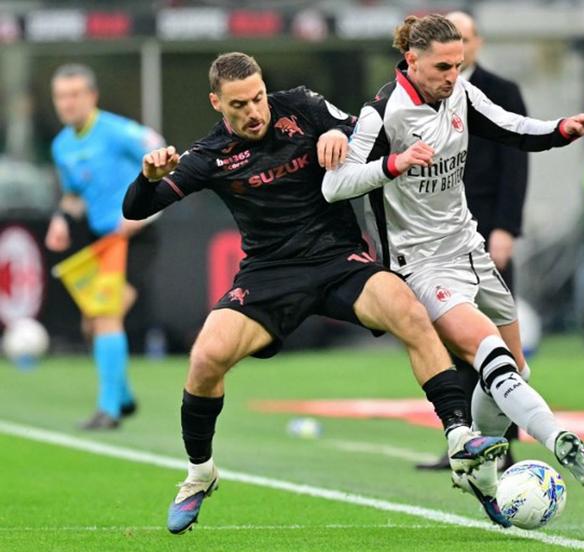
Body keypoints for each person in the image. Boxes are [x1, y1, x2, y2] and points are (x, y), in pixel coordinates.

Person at [121, 52, 508, 535]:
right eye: (239, 104)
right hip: (269, 273)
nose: (254, 111)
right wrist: (148, 178)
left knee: (408, 310)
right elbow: (136, 209)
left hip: (336, 259)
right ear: (217, 102)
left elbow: (368, 130)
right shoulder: (209, 155)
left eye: (258, 97)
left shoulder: (302, 105)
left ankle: (457, 436)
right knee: (205, 360)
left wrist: (336, 134)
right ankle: (200, 473)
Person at [322, 14, 584, 525]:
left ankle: (479, 464)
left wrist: (563, 129)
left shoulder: (462, 95)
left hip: (468, 246)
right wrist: (394, 165)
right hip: (420, 263)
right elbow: (334, 185)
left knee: (513, 370)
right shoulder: (383, 112)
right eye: (443, 67)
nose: (453, 76)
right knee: (486, 351)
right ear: (412, 60)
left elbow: (513, 129)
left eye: (458, 65)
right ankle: (559, 438)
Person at [414, 10, 527, 472]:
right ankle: (460, 435)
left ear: (476, 43)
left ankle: (507, 438)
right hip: (438, 236)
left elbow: (516, 164)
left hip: (485, 225)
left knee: (500, 335)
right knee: (448, 337)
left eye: (464, 38)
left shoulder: (499, 92)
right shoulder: (419, 95)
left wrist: (506, 228)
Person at [45, 64, 164, 430]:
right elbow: (73, 196)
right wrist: (61, 219)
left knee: (106, 316)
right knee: (90, 324)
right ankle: (124, 398)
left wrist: (140, 215)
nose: (67, 103)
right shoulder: (62, 145)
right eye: (61, 97)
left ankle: (108, 410)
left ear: (92, 96)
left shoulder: (116, 131)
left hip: (136, 237)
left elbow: (161, 154)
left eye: (74, 95)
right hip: (102, 240)